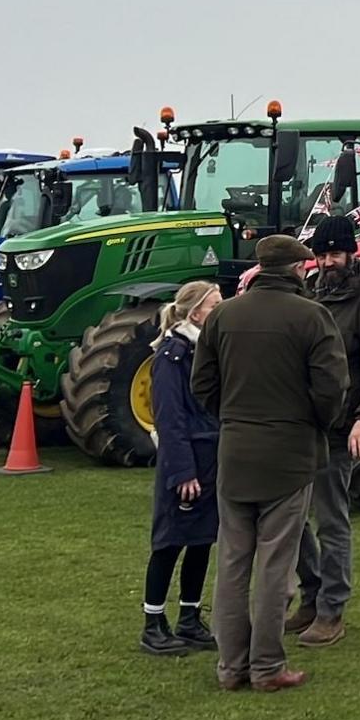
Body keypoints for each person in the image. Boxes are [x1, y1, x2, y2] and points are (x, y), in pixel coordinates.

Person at [190, 235, 348, 693]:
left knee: (234, 563)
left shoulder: (223, 315)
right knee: (276, 566)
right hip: (289, 453)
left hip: (236, 450)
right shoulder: (312, 316)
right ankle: (266, 666)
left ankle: (230, 666)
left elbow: (203, 385)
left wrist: (234, 415)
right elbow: (331, 388)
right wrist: (312, 422)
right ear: (298, 269)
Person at [289, 216, 360, 647]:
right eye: (320, 254)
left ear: (351, 254)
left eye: (334, 253)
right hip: (302, 426)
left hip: (341, 428)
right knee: (291, 519)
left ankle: (332, 610)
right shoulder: (310, 297)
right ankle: (311, 595)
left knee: (332, 522)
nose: (327, 261)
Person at [142, 280, 221, 657]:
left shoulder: (206, 350)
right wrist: (182, 472)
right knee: (170, 542)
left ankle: (190, 616)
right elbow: (170, 418)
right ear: (195, 314)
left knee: (202, 540)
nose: (222, 311)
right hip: (187, 460)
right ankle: (152, 623)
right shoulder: (173, 356)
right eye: (215, 305)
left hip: (210, 457)